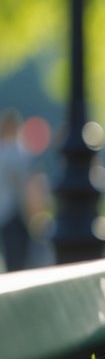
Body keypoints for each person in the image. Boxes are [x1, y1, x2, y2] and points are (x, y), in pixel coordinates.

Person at [0, 110, 33, 272]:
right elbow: (24, 183)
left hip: (7, 212)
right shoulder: (16, 152)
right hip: (15, 212)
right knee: (18, 260)